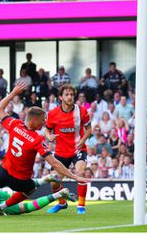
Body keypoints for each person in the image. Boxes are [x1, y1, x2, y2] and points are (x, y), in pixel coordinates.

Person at [0, 82, 89, 216]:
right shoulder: (37, 139)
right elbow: (54, 163)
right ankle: (3, 207)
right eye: (42, 120)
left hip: (4, 171)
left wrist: (13, 93)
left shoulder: (15, 125)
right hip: (20, 179)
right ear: (34, 120)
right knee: (30, 189)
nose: (45, 123)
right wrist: (74, 176)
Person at [45, 84, 92, 214]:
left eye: (71, 94)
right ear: (60, 97)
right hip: (61, 152)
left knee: (80, 172)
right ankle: (62, 203)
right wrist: (49, 137)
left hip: (78, 149)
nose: (70, 97)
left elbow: (89, 129)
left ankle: (81, 206)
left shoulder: (81, 111)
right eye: (67, 94)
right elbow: (47, 130)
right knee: (54, 181)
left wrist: (82, 141)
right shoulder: (53, 114)